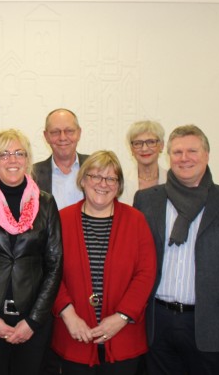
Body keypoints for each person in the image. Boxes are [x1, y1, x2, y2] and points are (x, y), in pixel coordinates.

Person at [134, 125, 219, 375]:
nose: (184, 158)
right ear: (168, 156)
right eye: (177, 152)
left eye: (192, 151)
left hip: (210, 323)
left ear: (207, 155)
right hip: (155, 321)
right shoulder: (146, 200)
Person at [0, 129, 62, 375]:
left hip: (32, 321)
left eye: (19, 153)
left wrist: (33, 321)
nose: (13, 160)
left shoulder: (46, 203)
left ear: (28, 159)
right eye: (4, 154)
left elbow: (54, 265)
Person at [51, 150, 156, 374]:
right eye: (95, 176)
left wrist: (122, 317)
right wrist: (68, 315)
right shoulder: (61, 220)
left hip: (124, 336)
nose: (103, 184)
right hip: (74, 335)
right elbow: (50, 272)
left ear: (118, 186)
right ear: (83, 180)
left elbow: (146, 274)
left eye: (111, 178)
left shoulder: (136, 220)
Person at [33, 108, 89, 210]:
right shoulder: (32, 175)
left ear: (79, 133)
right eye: (55, 132)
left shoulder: (95, 167)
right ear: (46, 136)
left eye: (69, 131)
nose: (62, 137)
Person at [120, 120, 167, 204]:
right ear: (131, 148)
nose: (144, 149)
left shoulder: (172, 181)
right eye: (138, 143)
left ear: (161, 146)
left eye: (151, 142)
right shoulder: (121, 183)